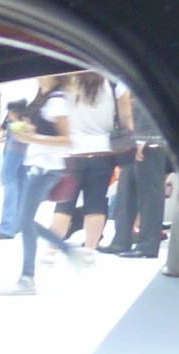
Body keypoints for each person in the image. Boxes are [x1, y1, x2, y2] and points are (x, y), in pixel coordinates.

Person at [0, 75, 73, 296]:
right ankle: (30, 275)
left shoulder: (56, 101)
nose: (37, 79)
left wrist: (31, 139)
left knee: (25, 219)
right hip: (42, 166)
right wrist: (31, 134)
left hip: (47, 167)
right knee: (25, 219)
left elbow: (66, 139)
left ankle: (28, 278)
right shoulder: (48, 98)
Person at [47, 72, 130, 264]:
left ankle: (51, 252)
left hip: (73, 153)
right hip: (103, 151)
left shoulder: (68, 82)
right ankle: (89, 252)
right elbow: (126, 117)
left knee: (64, 204)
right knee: (96, 203)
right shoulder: (114, 83)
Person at [102, 92, 166, 258]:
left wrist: (144, 138)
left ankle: (147, 245)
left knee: (149, 195)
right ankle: (121, 240)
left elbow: (153, 107)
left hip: (150, 142)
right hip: (134, 140)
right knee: (126, 191)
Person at [0, 99, 31, 239]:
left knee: (8, 178)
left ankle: (6, 227)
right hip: (23, 151)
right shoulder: (25, 122)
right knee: (21, 180)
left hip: (15, 149)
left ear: (12, 112)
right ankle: (17, 224)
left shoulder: (16, 125)